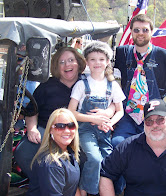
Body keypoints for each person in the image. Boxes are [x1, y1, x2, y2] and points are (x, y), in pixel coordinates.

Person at [14, 46, 115, 179]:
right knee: (23, 152)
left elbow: (114, 100)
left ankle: (74, 187)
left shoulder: (89, 82)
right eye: (62, 62)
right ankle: (43, 182)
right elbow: (32, 111)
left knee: (87, 157)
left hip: (78, 131)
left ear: (78, 63)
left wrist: (107, 112)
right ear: (56, 66)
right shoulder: (46, 86)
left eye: (71, 60)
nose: (67, 64)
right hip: (47, 130)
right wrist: (32, 129)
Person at [112, 14, 166, 150]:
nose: (140, 34)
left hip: (154, 116)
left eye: (145, 30)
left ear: (152, 32)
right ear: (131, 31)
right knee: (117, 144)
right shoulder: (122, 53)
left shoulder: (163, 55)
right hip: (128, 114)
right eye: (136, 30)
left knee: (154, 147)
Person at [99, 99, 166, 196]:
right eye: (149, 121)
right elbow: (106, 174)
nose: (155, 125)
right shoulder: (127, 147)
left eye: (160, 120)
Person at [68, 41, 125, 196]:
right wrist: (94, 119)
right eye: (92, 59)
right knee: (94, 159)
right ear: (86, 62)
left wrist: (108, 122)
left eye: (101, 59)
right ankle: (86, 192)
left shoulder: (112, 85)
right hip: (85, 130)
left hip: (105, 130)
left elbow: (120, 111)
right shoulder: (81, 85)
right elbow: (71, 112)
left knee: (108, 161)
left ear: (107, 62)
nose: (97, 63)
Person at [27, 108, 81, 196]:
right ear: (50, 130)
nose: (67, 131)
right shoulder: (51, 163)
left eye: (71, 125)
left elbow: (73, 189)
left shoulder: (70, 153)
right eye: (60, 126)